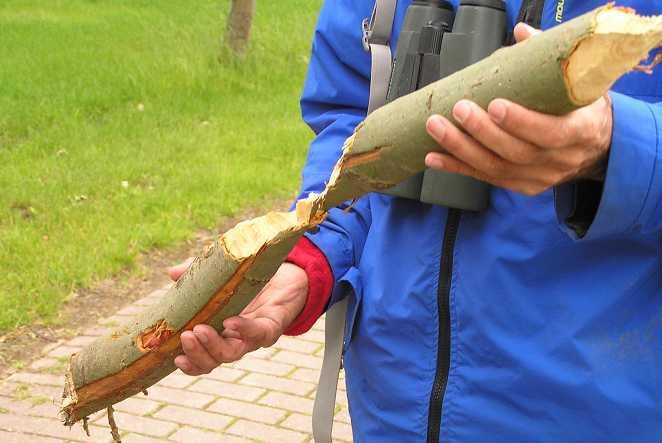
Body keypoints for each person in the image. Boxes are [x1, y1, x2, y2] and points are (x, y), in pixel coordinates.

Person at [169, 0, 662, 441]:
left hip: (604, 412)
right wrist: (309, 256)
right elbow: (353, 123)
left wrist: (619, 146)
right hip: (391, 411)